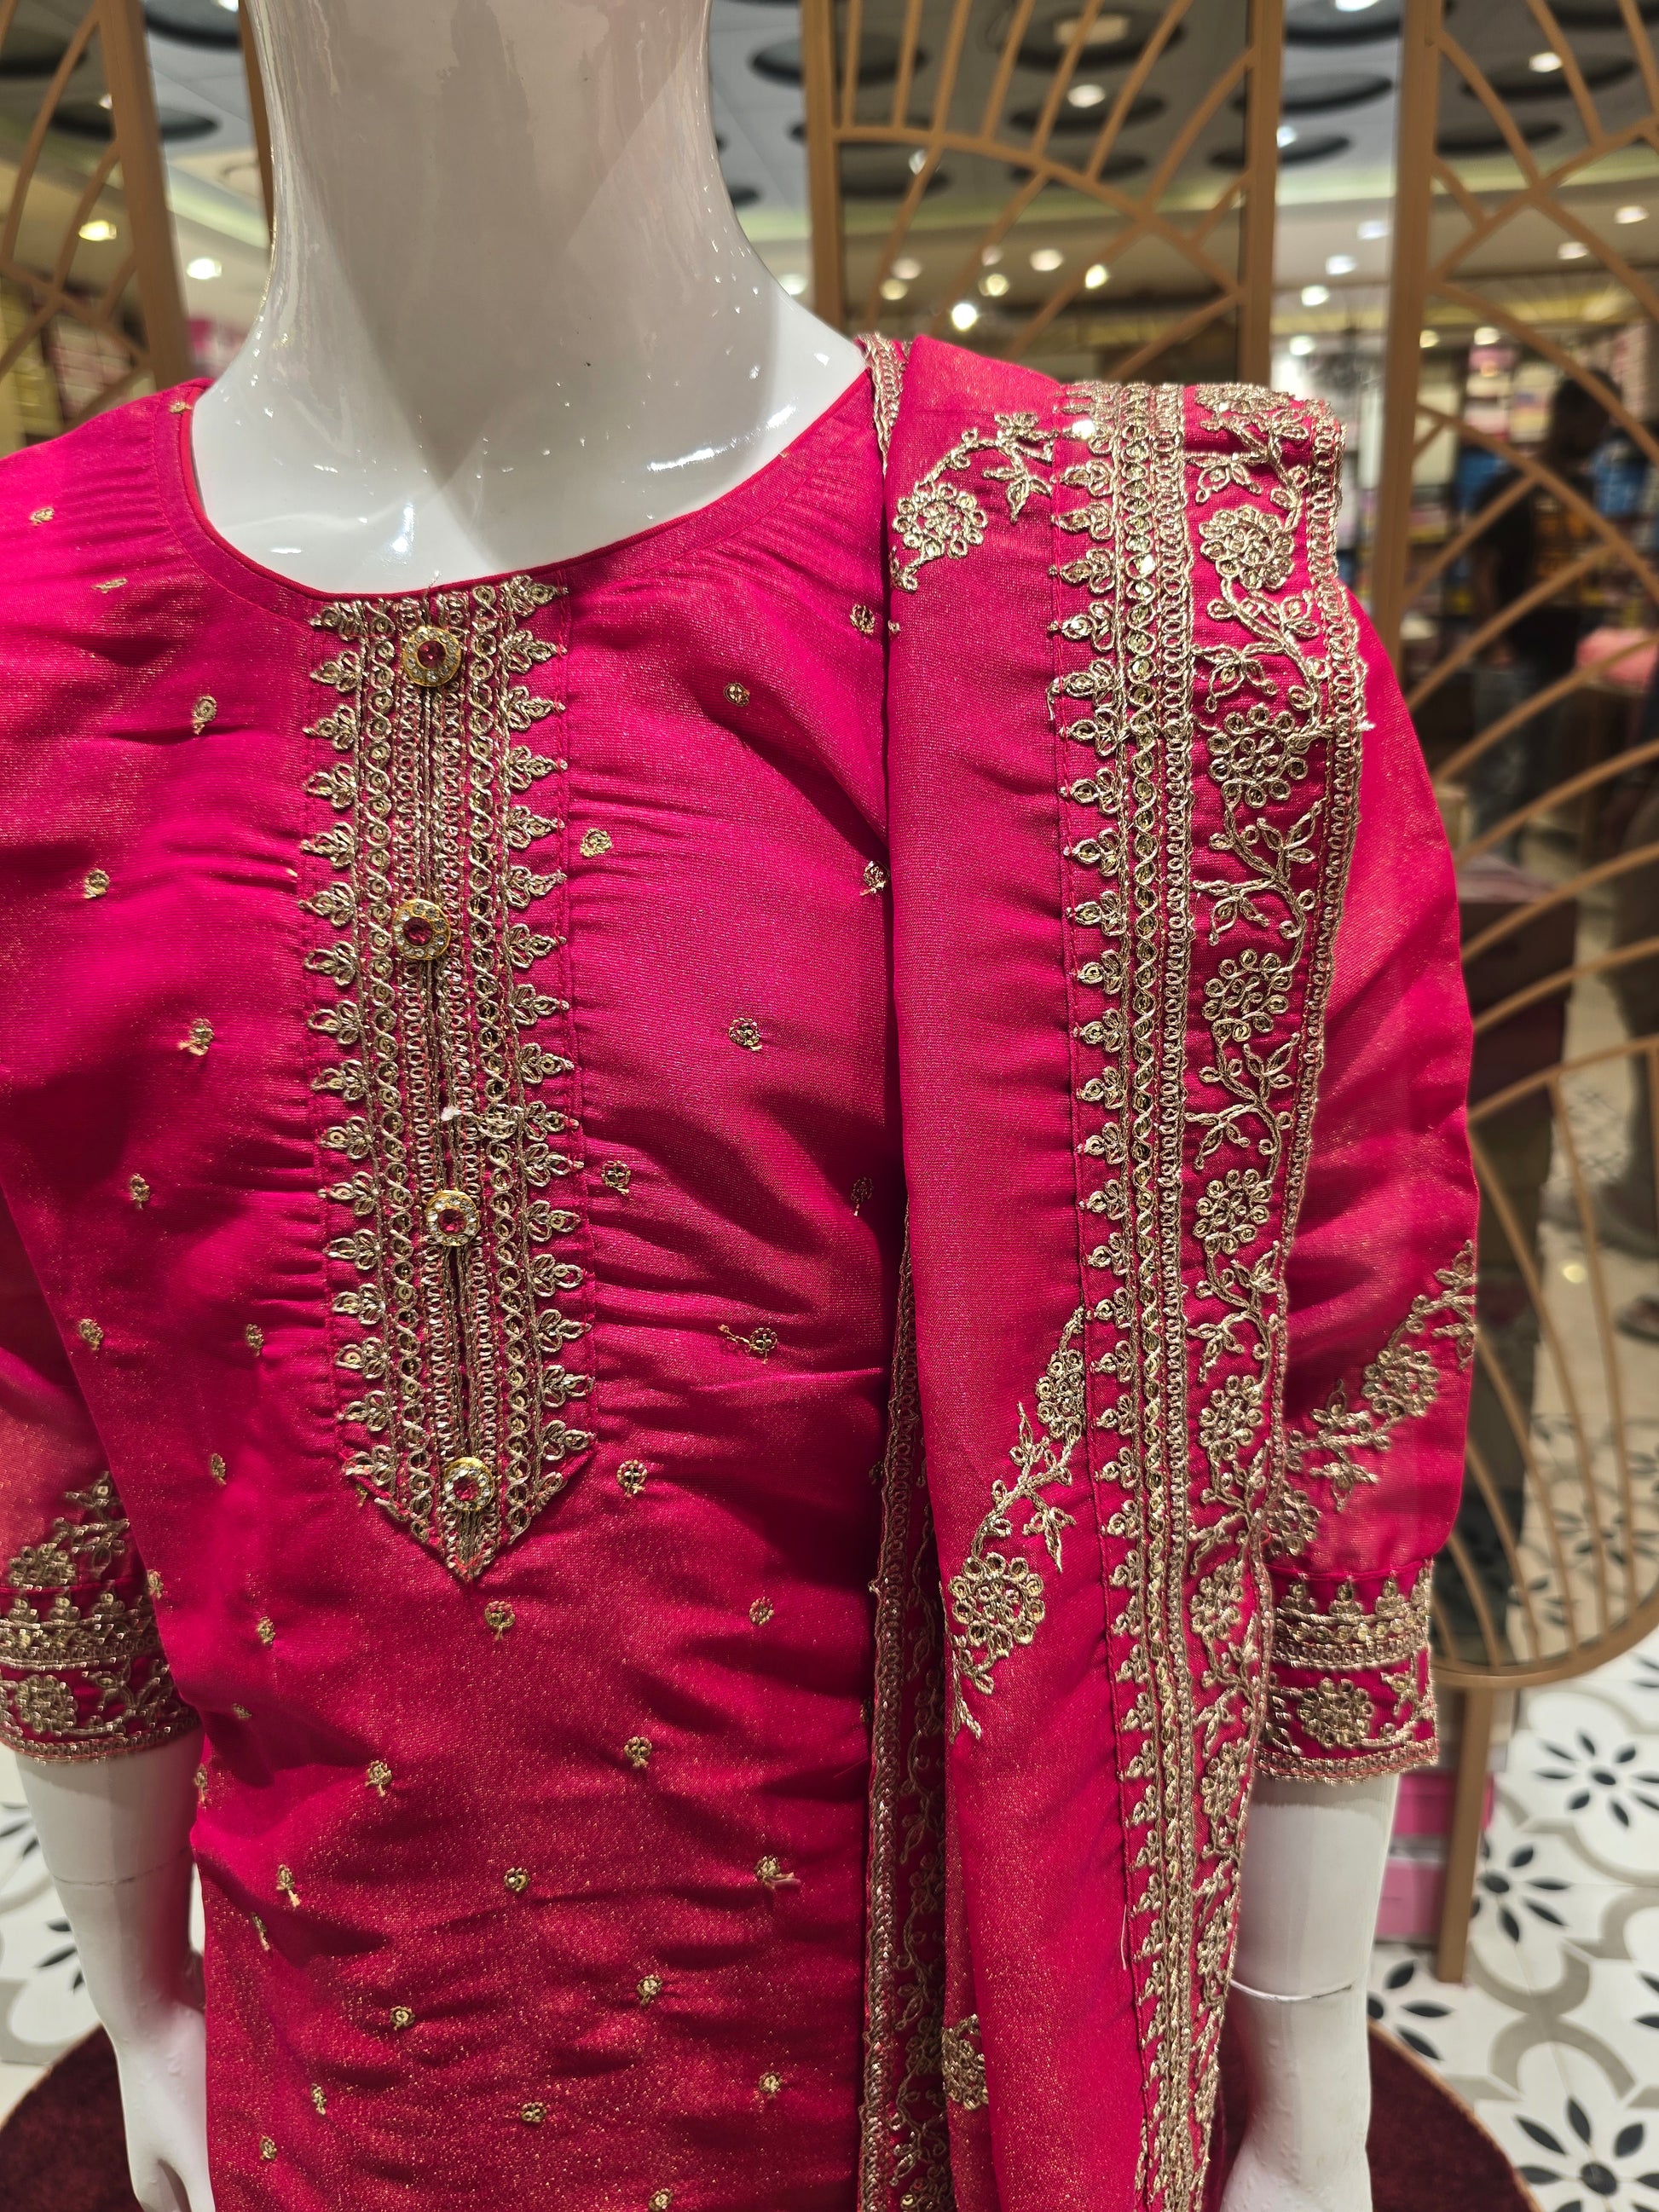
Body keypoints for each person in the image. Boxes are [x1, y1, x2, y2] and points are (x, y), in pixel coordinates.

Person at [0, 7, 1477, 2210]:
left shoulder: (1162, 620)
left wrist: (1308, 2085)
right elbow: (43, 1421)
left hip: (937, 2121)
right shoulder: (27, 631)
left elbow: (1333, 1394)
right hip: (336, 2075)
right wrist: (142, 2005)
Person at [1467, 377, 1613, 858]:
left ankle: (1508, 875)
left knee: (1533, 778)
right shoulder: (1510, 487)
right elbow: (1482, 571)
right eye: (1596, 421)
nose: (1600, 435)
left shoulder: (1584, 489)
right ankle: (1489, 878)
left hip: (1558, 653)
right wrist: (1496, 647)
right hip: (1512, 654)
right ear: (1565, 415)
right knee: (1500, 777)